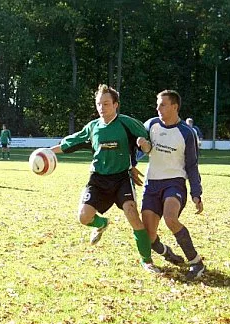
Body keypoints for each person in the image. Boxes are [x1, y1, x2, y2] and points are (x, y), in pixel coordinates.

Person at [49, 84, 163, 273]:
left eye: (106, 103)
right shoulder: (93, 127)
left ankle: (147, 261)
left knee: (133, 214)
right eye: (99, 104)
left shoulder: (127, 123)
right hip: (98, 180)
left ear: (116, 104)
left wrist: (142, 151)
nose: (102, 108)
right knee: (84, 217)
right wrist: (46, 152)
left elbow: (146, 143)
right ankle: (102, 224)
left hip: (121, 179)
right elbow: (70, 143)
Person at [141, 90, 205, 280]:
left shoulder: (187, 132)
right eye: (158, 104)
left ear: (174, 107)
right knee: (149, 235)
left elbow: (192, 165)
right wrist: (132, 164)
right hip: (151, 183)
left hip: (174, 183)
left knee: (170, 218)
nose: (158, 108)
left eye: (162, 104)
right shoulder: (150, 125)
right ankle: (165, 252)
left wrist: (196, 192)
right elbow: (137, 148)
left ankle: (196, 263)